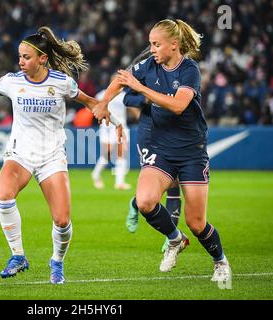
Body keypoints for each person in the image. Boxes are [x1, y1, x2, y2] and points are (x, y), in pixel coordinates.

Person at [0, 26, 119, 284]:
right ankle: (18, 256)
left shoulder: (62, 83)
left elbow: (91, 102)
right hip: (20, 153)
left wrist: (113, 119)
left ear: (42, 59)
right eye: (19, 57)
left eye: (26, 57)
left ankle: (57, 262)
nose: (21, 62)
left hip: (52, 156)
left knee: (62, 220)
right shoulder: (12, 82)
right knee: (4, 195)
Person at [93, 19, 231, 282]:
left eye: (156, 44)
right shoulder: (149, 65)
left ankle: (220, 261)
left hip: (191, 151)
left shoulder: (190, 69)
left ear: (174, 45)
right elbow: (121, 79)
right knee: (145, 201)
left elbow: (178, 105)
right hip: (161, 149)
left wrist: (142, 89)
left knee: (197, 223)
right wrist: (103, 102)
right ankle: (175, 239)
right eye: (150, 44)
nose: (152, 49)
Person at [94, 47, 183, 252]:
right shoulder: (145, 70)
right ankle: (136, 204)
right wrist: (145, 98)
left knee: (173, 185)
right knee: (158, 187)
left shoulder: (184, 70)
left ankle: (171, 238)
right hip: (150, 134)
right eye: (153, 45)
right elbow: (127, 98)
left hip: (175, 132)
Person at [91, 75, 138, 190]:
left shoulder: (115, 95)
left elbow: (132, 108)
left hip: (117, 127)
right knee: (109, 154)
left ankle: (119, 182)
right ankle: (97, 174)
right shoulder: (105, 95)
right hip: (109, 126)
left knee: (119, 153)